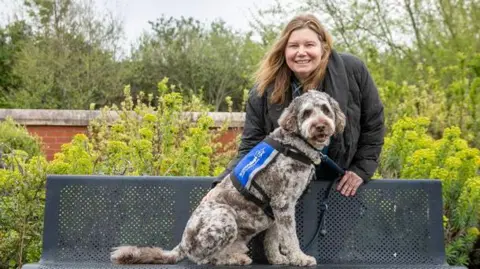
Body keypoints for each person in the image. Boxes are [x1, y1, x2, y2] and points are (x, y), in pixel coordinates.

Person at [216, 13, 385, 197]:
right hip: (284, 190)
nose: (301, 52)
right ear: (284, 50)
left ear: (324, 47)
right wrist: (223, 184)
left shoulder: (352, 70)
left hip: (340, 188)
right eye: (294, 46)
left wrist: (361, 169)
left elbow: (373, 123)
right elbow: (252, 145)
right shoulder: (263, 90)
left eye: (309, 45)